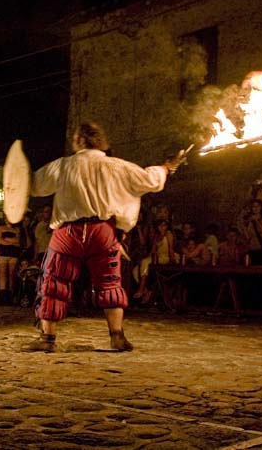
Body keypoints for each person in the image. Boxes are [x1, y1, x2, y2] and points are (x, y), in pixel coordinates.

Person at [23, 121, 186, 353]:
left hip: (68, 233)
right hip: (103, 232)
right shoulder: (116, 166)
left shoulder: (63, 166)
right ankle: (117, 336)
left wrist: (18, 175)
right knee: (109, 282)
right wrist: (166, 167)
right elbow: (150, 180)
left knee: (53, 282)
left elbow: (34, 185)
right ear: (100, 141)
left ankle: (47, 339)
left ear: (79, 141)